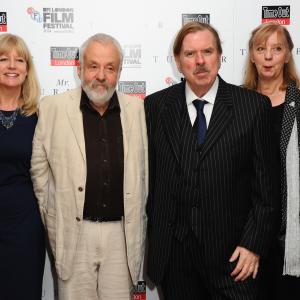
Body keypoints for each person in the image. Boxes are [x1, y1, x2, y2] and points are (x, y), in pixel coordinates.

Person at [145, 21, 277, 299]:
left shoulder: (253, 107)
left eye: (207, 51)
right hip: (176, 261)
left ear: (220, 56)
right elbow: (151, 180)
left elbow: (267, 190)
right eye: (190, 54)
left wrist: (253, 245)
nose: (200, 61)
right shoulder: (156, 107)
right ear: (178, 62)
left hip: (234, 261)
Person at [30, 33, 148, 300]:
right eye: (93, 66)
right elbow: (39, 169)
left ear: (119, 71)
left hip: (122, 236)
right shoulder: (52, 108)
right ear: (79, 67)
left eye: (110, 67)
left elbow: (144, 173)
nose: (101, 76)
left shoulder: (138, 110)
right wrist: (52, 214)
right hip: (74, 234)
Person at [244, 22, 300, 299]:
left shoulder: (298, 103)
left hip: (289, 235)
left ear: (288, 54)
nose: (268, 56)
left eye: (277, 49)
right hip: (245, 232)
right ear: (252, 55)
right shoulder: (237, 103)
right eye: (261, 49)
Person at [0, 33, 45, 299]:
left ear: (27, 70)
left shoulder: (39, 117)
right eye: (3, 59)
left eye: (19, 60)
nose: (12, 66)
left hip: (25, 226)